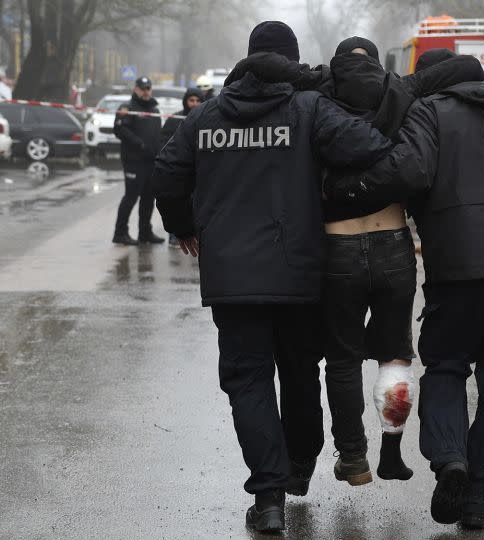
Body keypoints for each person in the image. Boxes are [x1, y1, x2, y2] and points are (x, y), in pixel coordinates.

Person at [153, 21, 395, 534]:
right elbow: (370, 146)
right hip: (299, 269)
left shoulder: (205, 118)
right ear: (290, 60)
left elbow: (167, 173)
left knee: (248, 381)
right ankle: (299, 467)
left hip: (231, 276)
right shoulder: (308, 110)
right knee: (301, 370)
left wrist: (184, 226)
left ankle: (268, 497)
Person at [327, 67, 484, 530]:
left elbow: (411, 169)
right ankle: (479, 499)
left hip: (457, 264)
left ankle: (450, 461)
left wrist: (345, 193)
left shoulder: (431, 111)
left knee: (446, 367)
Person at [315, 40, 484, 487]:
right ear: (376, 63)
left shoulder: (320, 100)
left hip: (338, 246)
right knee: (394, 355)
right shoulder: (402, 94)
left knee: (343, 358)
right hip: (393, 242)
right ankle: (392, 452)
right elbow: (463, 66)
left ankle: (353, 457)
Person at [112, 76, 164, 245]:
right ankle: (120, 233)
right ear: (135, 89)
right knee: (131, 196)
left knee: (149, 198)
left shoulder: (154, 109)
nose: (146, 91)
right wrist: (140, 144)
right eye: (142, 88)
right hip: (134, 161)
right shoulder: (127, 107)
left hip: (151, 161)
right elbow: (120, 129)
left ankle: (145, 232)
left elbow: (157, 134)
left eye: (148, 88)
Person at [159, 87, 205, 246]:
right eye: (191, 100)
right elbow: (164, 144)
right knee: (177, 201)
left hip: (199, 171)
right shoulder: (174, 119)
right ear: (185, 101)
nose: (194, 104)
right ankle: (175, 234)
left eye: (198, 101)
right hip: (179, 171)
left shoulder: (207, 118)